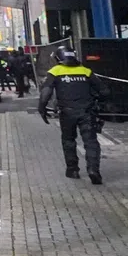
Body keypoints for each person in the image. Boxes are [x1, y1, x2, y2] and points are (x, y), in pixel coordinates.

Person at [39, 47, 107, 184]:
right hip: (87, 112)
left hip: (67, 113)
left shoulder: (55, 72)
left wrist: (42, 108)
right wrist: (97, 103)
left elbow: (46, 92)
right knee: (91, 142)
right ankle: (93, 170)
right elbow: (104, 91)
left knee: (69, 140)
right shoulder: (86, 71)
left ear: (58, 58)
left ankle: (72, 169)